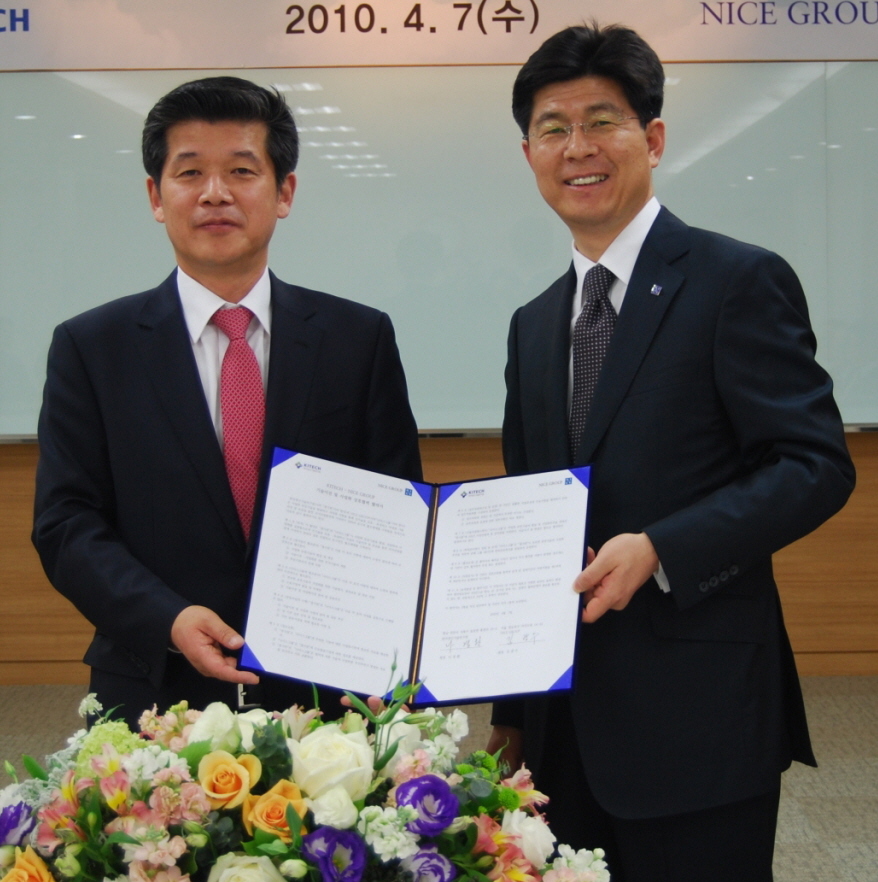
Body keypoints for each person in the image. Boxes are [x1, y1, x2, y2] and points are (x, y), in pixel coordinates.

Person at [487, 24, 855, 882]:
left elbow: (813, 464)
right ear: (530, 151)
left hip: (700, 717)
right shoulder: (535, 322)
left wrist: (662, 549)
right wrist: (513, 707)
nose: (577, 148)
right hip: (562, 729)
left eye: (601, 121)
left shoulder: (736, 280)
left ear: (651, 138)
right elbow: (526, 513)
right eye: (552, 127)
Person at [32, 76, 422, 729]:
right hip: (155, 690)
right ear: (157, 196)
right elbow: (67, 525)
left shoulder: (359, 339)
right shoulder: (91, 347)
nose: (215, 193)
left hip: (325, 695)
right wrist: (168, 617)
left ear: (284, 192)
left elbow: (395, 511)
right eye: (190, 173)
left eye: (242, 170)